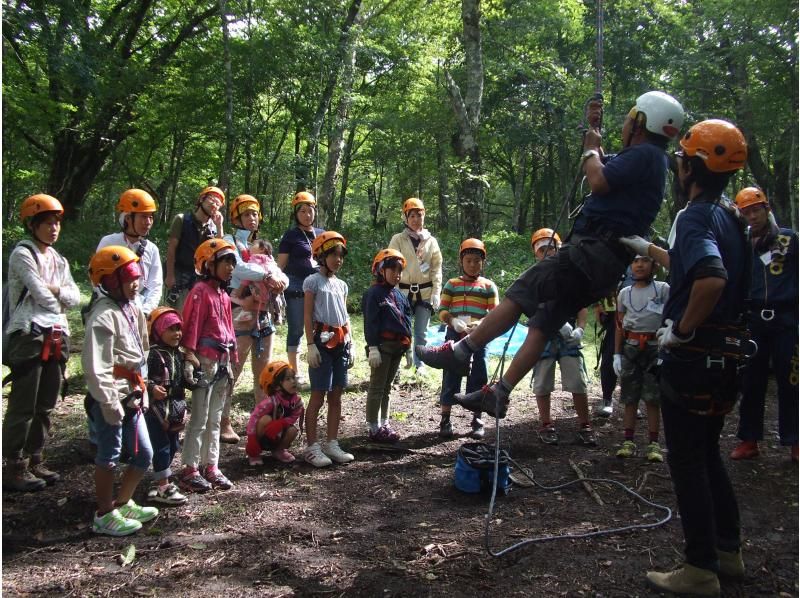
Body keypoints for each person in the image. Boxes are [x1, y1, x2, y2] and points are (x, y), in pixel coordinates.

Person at [416, 91, 685, 420]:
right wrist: (593, 133)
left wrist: (590, 146)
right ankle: (499, 392)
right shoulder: (650, 160)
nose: (627, 123)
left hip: (590, 253)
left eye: (630, 117)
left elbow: (597, 179)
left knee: (521, 291)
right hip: (603, 263)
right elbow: (602, 167)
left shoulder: (645, 154)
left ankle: (461, 351)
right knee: (543, 323)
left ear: (641, 122)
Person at [622, 120, 749, 595]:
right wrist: (652, 251)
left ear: (691, 166)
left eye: (681, 157)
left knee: (687, 460)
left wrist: (683, 328)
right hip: (729, 356)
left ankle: (699, 568)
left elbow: (710, 278)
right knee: (707, 452)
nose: (676, 162)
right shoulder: (729, 216)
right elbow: (697, 264)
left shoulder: (694, 216)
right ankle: (727, 550)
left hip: (695, 355)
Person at [3, 194, 80, 491]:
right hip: (29, 334)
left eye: (57, 223)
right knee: (24, 404)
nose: (53, 228)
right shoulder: (22, 254)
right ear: (32, 225)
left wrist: (55, 292)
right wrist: (57, 294)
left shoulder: (58, 260)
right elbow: (43, 295)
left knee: (46, 403)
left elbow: (73, 297)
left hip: (57, 335)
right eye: (47, 223)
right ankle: (14, 464)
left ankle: (37, 458)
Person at [83, 246, 158, 536]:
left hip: (133, 394)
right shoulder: (103, 317)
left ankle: (123, 501)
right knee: (109, 455)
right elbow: (96, 365)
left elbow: (143, 350)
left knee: (143, 454)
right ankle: (104, 513)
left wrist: (145, 386)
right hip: (112, 396)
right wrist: (107, 400)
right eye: (129, 279)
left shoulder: (133, 308)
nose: (136, 284)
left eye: (137, 278)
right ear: (110, 282)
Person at [729, 187, 798, 462]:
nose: (752, 216)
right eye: (746, 212)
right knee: (751, 380)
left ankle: (795, 441)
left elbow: (776, 256)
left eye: (756, 210)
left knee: (791, 380)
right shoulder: (743, 245)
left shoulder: (787, 238)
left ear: (766, 209)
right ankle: (749, 439)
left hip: (787, 318)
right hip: (754, 318)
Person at [221, 194, 288, 444]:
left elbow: (281, 273)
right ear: (236, 217)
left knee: (264, 370)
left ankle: (262, 421)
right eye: (246, 214)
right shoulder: (229, 241)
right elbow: (238, 269)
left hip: (264, 312)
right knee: (233, 368)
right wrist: (267, 276)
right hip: (241, 310)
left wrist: (279, 280)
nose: (252, 218)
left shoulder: (262, 245)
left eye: (254, 214)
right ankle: (223, 420)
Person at [178, 239, 238, 492]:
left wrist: (233, 359)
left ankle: (210, 464)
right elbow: (191, 324)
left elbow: (229, 329)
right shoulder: (200, 292)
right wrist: (189, 356)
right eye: (225, 262)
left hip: (222, 362)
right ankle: (190, 467)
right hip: (205, 360)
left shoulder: (224, 295)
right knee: (200, 417)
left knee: (215, 417)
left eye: (232, 263)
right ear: (208, 264)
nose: (230, 268)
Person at [527, 229, 594, 446]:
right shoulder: (533, 276)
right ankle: (546, 424)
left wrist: (580, 329)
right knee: (543, 382)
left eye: (551, 248)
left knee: (577, 381)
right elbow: (529, 306)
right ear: (536, 253)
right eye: (542, 250)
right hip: (544, 335)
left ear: (558, 249)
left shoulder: (569, 274)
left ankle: (585, 425)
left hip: (568, 338)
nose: (547, 253)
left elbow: (581, 306)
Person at [302, 231, 355, 467]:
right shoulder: (312, 282)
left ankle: (332, 442)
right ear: (321, 256)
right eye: (333, 254)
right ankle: (312, 446)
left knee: (336, 395)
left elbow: (345, 317)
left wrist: (351, 342)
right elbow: (306, 314)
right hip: (322, 343)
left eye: (341, 256)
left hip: (341, 344)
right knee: (318, 394)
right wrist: (311, 344)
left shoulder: (341, 285)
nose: (338, 259)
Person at [437, 239, 498, 440]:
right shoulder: (452, 284)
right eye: (469, 260)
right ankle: (445, 418)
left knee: (479, 375)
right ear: (461, 261)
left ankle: (477, 418)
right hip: (455, 335)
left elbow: (495, 313)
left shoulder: (489, 286)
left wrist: (482, 324)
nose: (473, 264)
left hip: (480, 336)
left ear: (483, 262)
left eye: (477, 261)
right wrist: (453, 321)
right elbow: (443, 310)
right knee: (451, 374)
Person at [613, 255, 669, 462]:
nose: (639, 265)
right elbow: (619, 325)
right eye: (635, 261)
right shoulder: (624, 293)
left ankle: (654, 443)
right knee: (629, 396)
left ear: (654, 265)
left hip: (656, 347)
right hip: (631, 348)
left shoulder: (663, 289)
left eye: (645, 260)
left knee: (653, 397)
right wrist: (616, 354)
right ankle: (628, 440)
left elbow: (671, 316)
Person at [144, 307, 198, 506]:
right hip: (156, 410)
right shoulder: (152, 355)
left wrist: (195, 366)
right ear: (158, 331)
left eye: (178, 328)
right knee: (162, 447)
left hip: (175, 409)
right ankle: (163, 485)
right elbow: (143, 378)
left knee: (173, 444)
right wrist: (151, 388)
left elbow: (187, 382)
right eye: (170, 329)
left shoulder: (178, 355)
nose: (177, 333)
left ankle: (160, 479)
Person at [363, 249, 413, 442]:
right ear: (381, 270)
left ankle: (384, 423)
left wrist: (408, 348)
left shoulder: (400, 296)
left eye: (399, 271)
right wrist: (373, 347)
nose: (397, 274)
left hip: (398, 348)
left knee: (388, 387)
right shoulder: (373, 294)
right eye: (392, 270)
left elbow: (407, 321)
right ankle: (373, 427)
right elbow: (371, 322)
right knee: (377, 386)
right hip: (382, 347)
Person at [388, 198, 443, 371]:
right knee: (400, 330)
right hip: (402, 291)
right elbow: (390, 264)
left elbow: (436, 268)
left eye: (419, 215)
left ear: (424, 216)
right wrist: (393, 291)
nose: (415, 219)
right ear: (406, 218)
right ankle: (397, 365)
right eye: (412, 216)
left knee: (421, 332)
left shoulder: (431, 241)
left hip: (425, 292)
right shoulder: (398, 239)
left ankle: (420, 365)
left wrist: (436, 292)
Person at [97, 189, 163, 317]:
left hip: (139, 311)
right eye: (143, 216)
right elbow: (96, 279)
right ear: (128, 218)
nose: (148, 222)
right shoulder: (109, 242)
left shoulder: (152, 249)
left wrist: (146, 311)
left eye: (150, 217)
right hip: (109, 308)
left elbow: (155, 285)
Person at [164, 186, 225, 312]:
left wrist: (220, 226)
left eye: (218, 203)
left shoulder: (213, 228)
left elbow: (219, 250)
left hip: (200, 278)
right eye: (212, 199)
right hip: (180, 274)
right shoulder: (182, 219)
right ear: (202, 199)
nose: (214, 204)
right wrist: (170, 275)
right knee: (178, 313)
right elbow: (171, 248)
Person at [245, 361, 304, 465]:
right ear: (277, 386)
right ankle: (254, 453)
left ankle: (279, 451)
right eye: (288, 379)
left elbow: (294, 416)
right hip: (263, 435)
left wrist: (281, 423)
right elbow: (254, 417)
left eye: (293, 377)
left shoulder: (297, 402)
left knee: (293, 430)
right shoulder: (270, 402)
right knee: (265, 419)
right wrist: (251, 438)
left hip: (279, 434)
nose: (293, 381)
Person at [593, 294, 618, 417]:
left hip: (633, 320)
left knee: (632, 361)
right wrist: (597, 305)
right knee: (608, 361)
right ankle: (607, 399)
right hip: (612, 322)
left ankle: (633, 402)